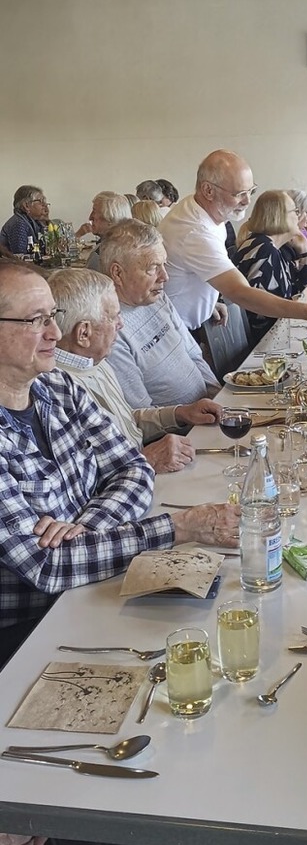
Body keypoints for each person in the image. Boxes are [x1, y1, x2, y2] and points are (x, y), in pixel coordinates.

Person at [0, 258, 239, 664]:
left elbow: (133, 467)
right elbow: (47, 568)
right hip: (32, 634)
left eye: (53, 316)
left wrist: (81, 531)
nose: (56, 333)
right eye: (36, 320)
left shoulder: (57, 386)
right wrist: (178, 527)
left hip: (96, 578)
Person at [49, 268, 225, 474]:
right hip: (129, 485)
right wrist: (146, 459)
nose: (121, 325)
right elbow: (78, 480)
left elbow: (125, 422)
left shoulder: (92, 362)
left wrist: (180, 413)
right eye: (114, 317)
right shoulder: (57, 390)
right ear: (84, 333)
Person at [159, 149, 307, 332]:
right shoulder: (196, 231)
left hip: (182, 319)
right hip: (174, 329)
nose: (248, 201)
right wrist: (306, 311)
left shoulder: (203, 212)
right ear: (208, 190)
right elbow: (240, 292)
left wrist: (207, 304)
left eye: (251, 191)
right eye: (240, 193)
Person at [99, 219, 220, 408]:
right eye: (153, 268)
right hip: (183, 431)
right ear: (117, 273)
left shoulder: (157, 298)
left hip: (208, 413)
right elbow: (142, 414)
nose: (165, 276)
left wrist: (219, 398)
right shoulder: (112, 330)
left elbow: (194, 355)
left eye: (164, 265)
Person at [234, 191, 307, 345]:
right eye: (296, 212)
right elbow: (262, 316)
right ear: (280, 216)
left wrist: (305, 252)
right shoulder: (263, 250)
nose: (300, 217)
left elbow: (302, 293)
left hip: (276, 336)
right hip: (262, 345)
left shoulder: (274, 247)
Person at [75, 191, 132, 271]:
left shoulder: (101, 254)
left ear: (110, 219)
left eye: (94, 212)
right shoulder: (131, 246)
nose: (90, 217)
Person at [0, 186, 50, 254]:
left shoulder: (36, 222)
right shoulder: (19, 223)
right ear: (26, 206)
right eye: (40, 201)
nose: (45, 205)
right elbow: (21, 256)